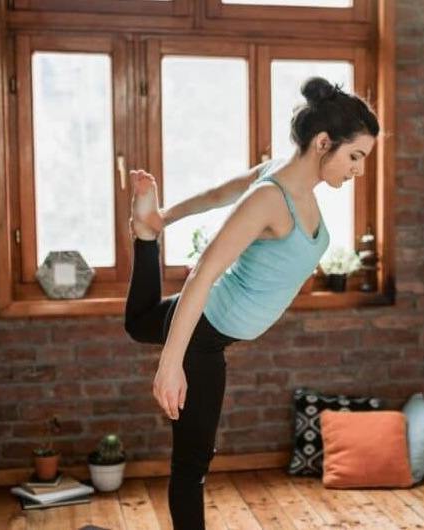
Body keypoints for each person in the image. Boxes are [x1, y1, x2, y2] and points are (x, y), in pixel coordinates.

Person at [123, 76, 379, 529]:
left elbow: (219, 193)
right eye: (355, 156)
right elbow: (204, 270)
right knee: (193, 464)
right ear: (324, 142)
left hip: (212, 325)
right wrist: (171, 362)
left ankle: (146, 232)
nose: (359, 169)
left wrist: (165, 217)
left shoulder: (280, 176)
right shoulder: (271, 197)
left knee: (140, 321)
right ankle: (146, 235)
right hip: (204, 336)